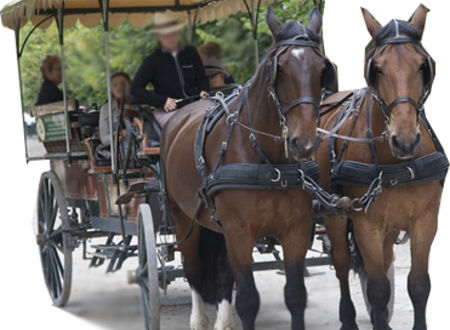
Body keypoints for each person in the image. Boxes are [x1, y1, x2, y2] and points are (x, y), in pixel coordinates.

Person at [130, 12, 209, 127]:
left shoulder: (191, 53)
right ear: (159, 37)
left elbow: (202, 78)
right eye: (166, 35)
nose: (171, 37)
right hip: (169, 112)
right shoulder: (152, 61)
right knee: (187, 127)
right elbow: (135, 89)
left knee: (215, 119)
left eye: (173, 33)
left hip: (196, 104)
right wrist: (162, 101)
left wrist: (203, 90)